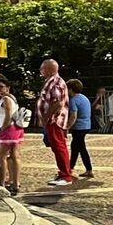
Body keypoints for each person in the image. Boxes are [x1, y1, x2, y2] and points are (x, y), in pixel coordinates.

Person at [38, 59, 72, 187]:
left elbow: (58, 102)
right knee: (57, 147)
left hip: (55, 120)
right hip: (54, 120)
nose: (41, 71)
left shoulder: (55, 82)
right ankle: (64, 172)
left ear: (49, 69)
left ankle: (65, 175)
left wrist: (46, 117)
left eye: (42, 68)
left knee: (59, 147)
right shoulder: (52, 81)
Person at [0, 77, 24, 195]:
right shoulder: (7, 98)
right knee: (14, 156)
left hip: (9, 128)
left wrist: (2, 129)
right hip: (16, 128)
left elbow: (8, 115)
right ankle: (15, 182)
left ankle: (1, 182)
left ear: (7, 88)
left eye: (1, 87)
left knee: (2, 156)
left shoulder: (5, 99)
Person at [67, 79, 94, 179]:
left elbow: (73, 116)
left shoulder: (73, 100)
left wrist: (67, 127)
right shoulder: (84, 98)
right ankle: (73, 168)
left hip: (79, 127)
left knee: (79, 148)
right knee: (76, 147)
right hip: (86, 125)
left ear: (70, 89)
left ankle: (72, 169)